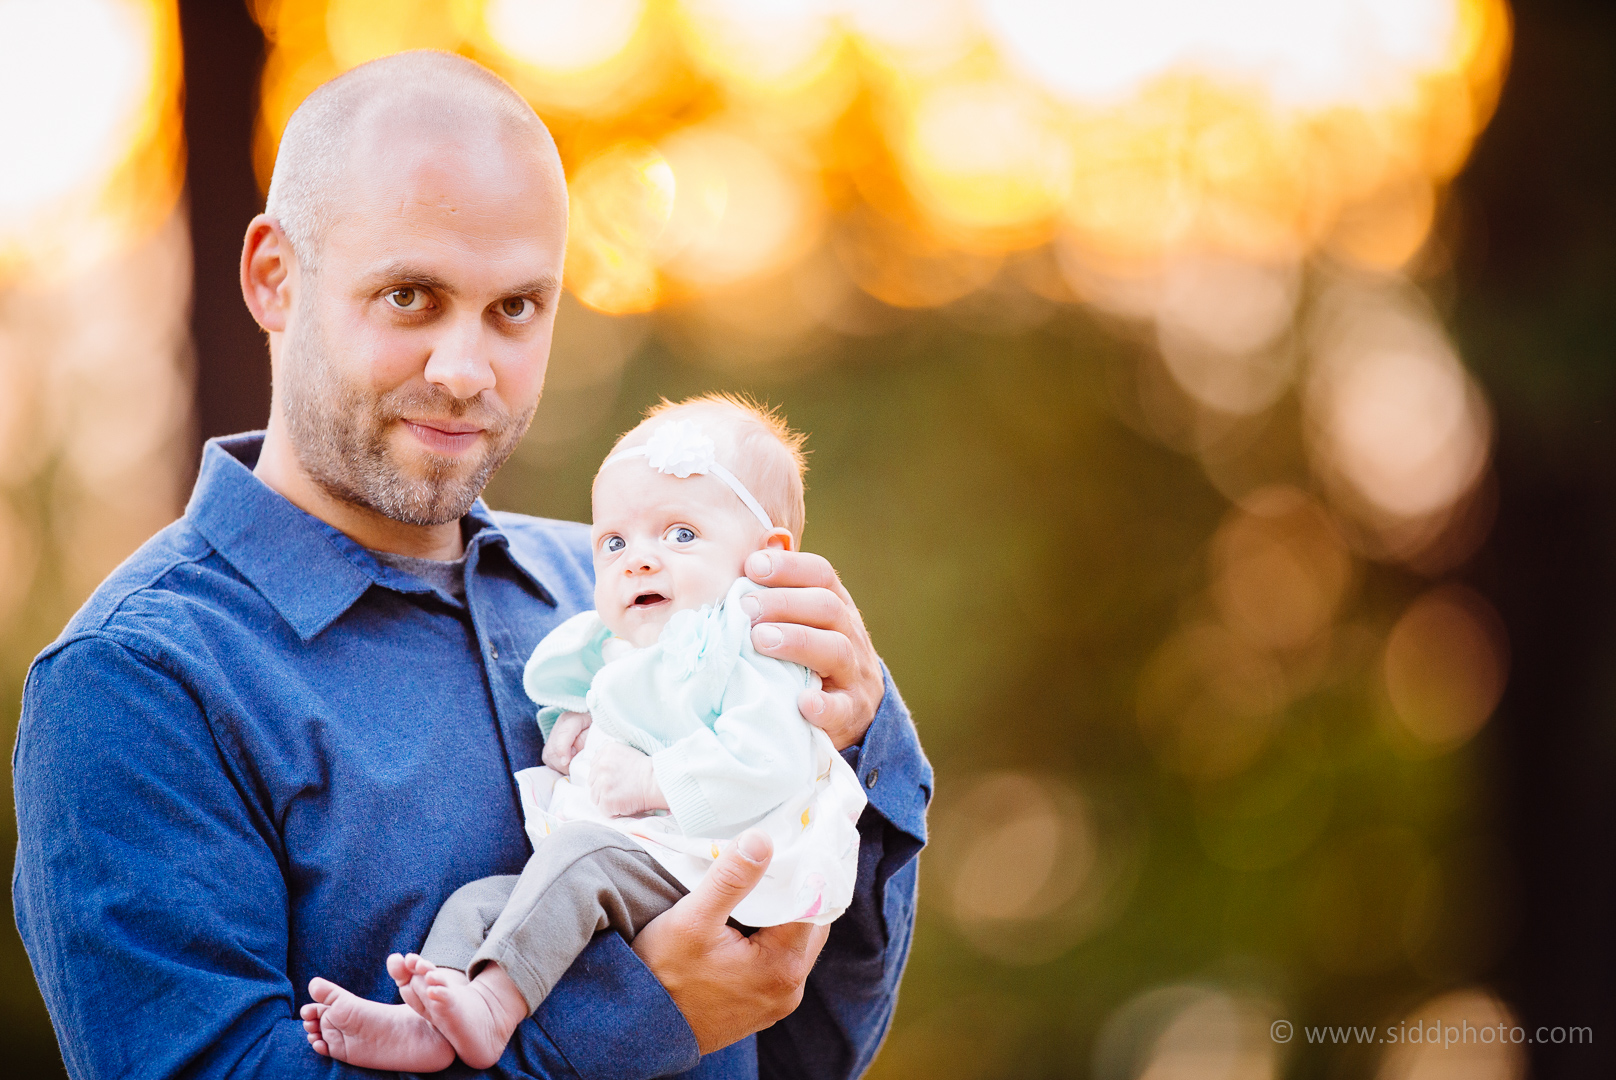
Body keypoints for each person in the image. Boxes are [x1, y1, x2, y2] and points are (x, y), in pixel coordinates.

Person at [11, 51, 930, 1080]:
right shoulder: (136, 684)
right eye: (410, 296)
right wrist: (633, 1021)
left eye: (515, 309)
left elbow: (801, 1051)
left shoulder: (621, 592)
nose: (464, 372)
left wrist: (856, 736)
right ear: (275, 277)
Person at [303, 397, 870, 1072]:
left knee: (575, 862)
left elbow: (767, 762)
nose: (639, 561)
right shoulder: (626, 640)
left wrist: (652, 782)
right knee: (482, 902)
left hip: (713, 864)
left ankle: (494, 1009)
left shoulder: (756, 646)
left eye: (681, 534)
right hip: (646, 856)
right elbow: (600, 697)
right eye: (615, 543)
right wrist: (570, 726)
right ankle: (433, 1013)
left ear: (767, 556)